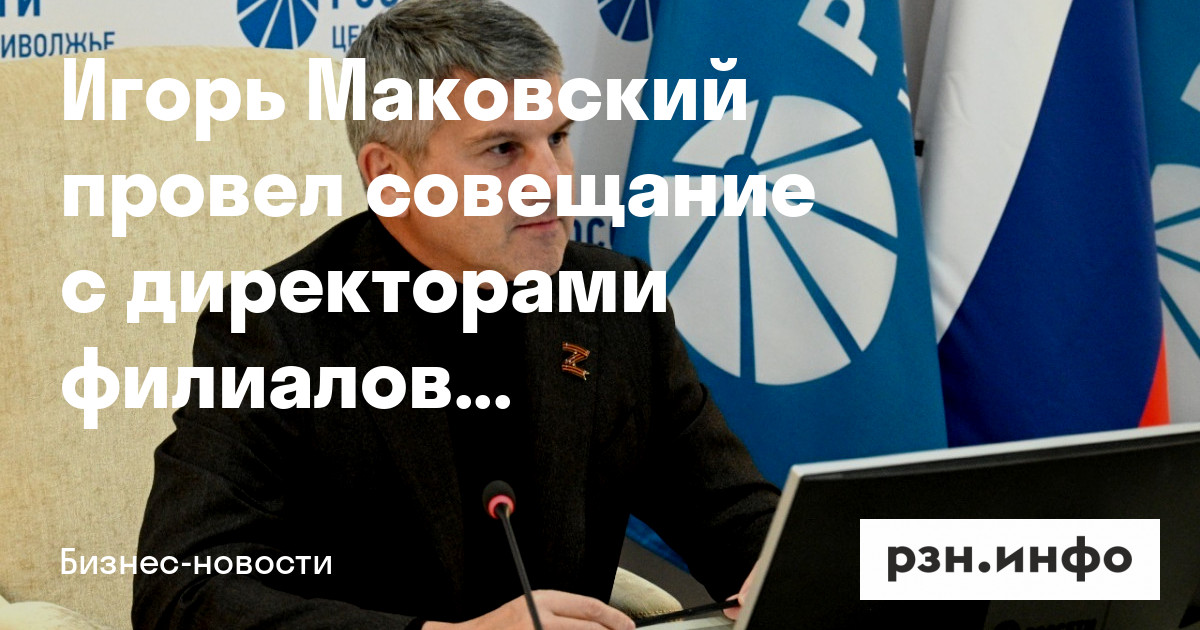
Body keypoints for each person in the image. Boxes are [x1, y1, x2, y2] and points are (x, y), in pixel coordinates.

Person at [133, 1, 779, 628]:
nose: (552, 180)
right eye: (503, 150)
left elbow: (734, 517)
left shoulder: (616, 303)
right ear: (389, 176)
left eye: (557, 138)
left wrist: (790, 569)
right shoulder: (276, 331)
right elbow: (182, 595)